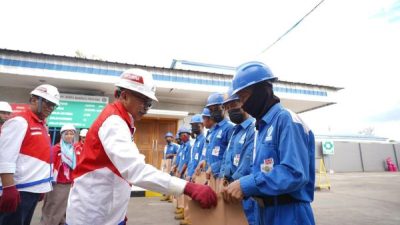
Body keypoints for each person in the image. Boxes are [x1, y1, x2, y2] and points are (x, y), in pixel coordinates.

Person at [66, 68, 217, 225]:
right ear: (124, 96)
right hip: (93, 215)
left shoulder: (121, 121)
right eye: (144, 101)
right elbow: (135, 170)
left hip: (105, 211)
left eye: (149, 103)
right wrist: (187, 187)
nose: (146, 107)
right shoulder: (114, 123)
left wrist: (118, 212)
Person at [223, 62, 316, 225]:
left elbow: (294, 173)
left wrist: (246, 184)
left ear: (261, 90)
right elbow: (262, 169)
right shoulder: (262, 127)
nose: (243, 105)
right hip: (265, 212)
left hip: (289, 213)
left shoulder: (286, 120)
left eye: (244, 97)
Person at [0, 84, 60, 225]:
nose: (50, 108)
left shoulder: (41, 125)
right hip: (19, 190)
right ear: (34, 100)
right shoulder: (20, 121)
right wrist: (9, 188)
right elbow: (5, 156)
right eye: (48, 103)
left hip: (32, 189)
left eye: (53, 106)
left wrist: (41, 187)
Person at [219, 89, 256, 225]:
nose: (230, 110)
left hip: (244, 190)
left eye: (233, 105)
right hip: (232, 186)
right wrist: (223, 175)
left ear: (243, 102)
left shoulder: (253, 128)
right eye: (227, 108)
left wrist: (234, 181)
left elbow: (248, 161)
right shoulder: (235, 131)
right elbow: (227, 156)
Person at [41, 124, 78, 225]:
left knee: (64, 209)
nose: (69, 136)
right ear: (62, 135)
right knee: (53, 208)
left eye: (71, 134)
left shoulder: (74, 149)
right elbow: (48, 166)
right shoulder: (56, 149)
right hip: (57, 184)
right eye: (67, 134)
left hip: (69, 184)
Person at [204, 93, 234, 179]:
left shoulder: (229, 128)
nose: (213, 112)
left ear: (224, 107)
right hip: (211, 175)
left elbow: (230, 156)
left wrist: (214, 167)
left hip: (222, 176)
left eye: (216, 109)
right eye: (211, 110)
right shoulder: (214, 130)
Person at [195, 108, 215, 175]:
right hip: (205, 171)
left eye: (204, 119)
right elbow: (204, 154)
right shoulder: (209, 134)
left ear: (211, 119)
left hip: (214, 172)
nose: (203, 122)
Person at [160, 132, 179, 202]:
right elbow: (164, 156)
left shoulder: (175, 146)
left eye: (169, 137)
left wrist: (172, 155)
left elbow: (178, 155)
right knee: (166, 180)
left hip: (172, 165)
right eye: (167, 137)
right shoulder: (165, 147)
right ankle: (167, 195)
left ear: (172, 138)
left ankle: (171, 196)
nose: (168, 138)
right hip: (166, 165)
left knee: (172, 180)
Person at [186, 114, 205, 182]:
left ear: (202, 125)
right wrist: (189, 173)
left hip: (197, 175)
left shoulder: (204, 140)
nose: (194, 127)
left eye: (196, 125)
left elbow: (202, 159)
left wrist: (194, 174)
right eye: (192, 125)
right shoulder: (195, 141)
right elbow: (192, 160)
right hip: (191, 175)